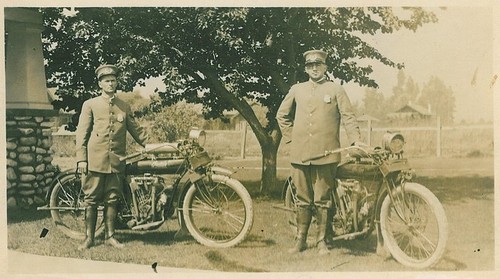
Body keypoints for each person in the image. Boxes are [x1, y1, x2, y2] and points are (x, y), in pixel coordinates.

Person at [276, 50, 362, 254]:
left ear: (325, 67)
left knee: (323, 199)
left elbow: (348, 117)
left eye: (318, 65)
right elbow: (282, 116)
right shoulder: (297, 89)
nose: (314, 68)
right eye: (310, 65)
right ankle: (301, 240)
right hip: (300, 155)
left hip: (326, 154)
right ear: (306, 68)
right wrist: (290, 138)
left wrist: (355, 140)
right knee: (303, 198)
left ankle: (322, 240)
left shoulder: (335, 89)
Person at [76, 64, 149, 250]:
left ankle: (110, 237)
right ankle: (89, 239)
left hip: (117, 161)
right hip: (95, 160)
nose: (111, 83)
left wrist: (151, 146)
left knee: (112, 199)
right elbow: (82, 134)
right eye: (107, 81)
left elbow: (136, 131)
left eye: (113, 80)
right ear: (100, 83)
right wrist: (82, 159)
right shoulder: (90, 104)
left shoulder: (123, 106)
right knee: (91, 199)